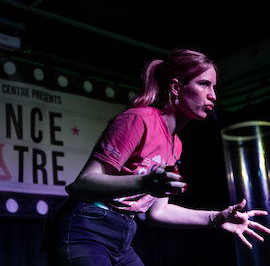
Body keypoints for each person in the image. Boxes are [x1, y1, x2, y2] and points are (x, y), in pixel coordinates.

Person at [47, 49, 270, 266]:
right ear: (175, 87)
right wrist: (143, 182)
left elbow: (158, 212)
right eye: (204, 84)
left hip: (122, 238)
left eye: (214, 87)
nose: (213, 95)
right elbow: (82, 184)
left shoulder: (176, 145)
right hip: (86, 229)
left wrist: (216, 218)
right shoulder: (139, 120)